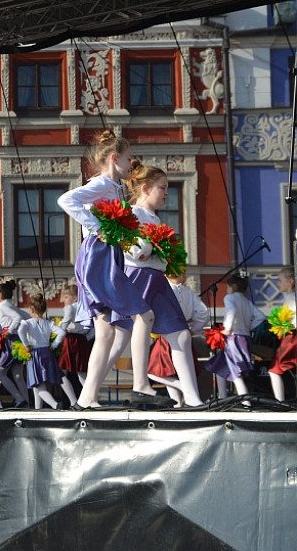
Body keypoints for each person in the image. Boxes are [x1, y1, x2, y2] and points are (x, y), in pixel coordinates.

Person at [56, 130, 161, 409]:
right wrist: (97, 226)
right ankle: (139, 383)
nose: (131, 165)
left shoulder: (114, 187)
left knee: (106, 333)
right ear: (115, 159)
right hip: (97, 258)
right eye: (128, 159)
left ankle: (86, 398)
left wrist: (132, 245)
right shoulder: (102, 183)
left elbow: (119, 227)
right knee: (143, 315)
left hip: (109, 255)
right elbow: (66, 201)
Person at [109, 160, 202, 407]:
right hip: (138, 279)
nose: (166, 193)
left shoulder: (154, 218)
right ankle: (91, 389)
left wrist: (159, 254)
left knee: (181, 335)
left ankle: (192, 398)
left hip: (156, 280)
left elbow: (158, 257)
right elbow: (128, 248)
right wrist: (148, 249)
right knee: (119, 339)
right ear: (146, 188)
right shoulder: (131, 214)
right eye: (162, 187)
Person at [152, 270, 209, 406]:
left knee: (156, 370)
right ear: (183, 275)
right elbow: (204, 313)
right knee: (178, 369)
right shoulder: (188, 292)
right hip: (184, 330)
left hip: (168, 332)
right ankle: (177, 402)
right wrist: (193, 330)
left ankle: (182, 390)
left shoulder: (165, 290)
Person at [205, 274, 263, 401]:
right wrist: (248, 327)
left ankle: (246, 402)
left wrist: (228, 328)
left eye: (228, 287)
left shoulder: (230, 298)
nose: (227, 290)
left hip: (233, 338)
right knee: (219, 366)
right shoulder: (247, 301)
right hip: (244, 337)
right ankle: (221, 398)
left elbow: (231, 311)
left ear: (233, 287)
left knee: (236, 371)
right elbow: (260, 316)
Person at [11, 293, 67, 409]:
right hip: (47, 353)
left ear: (31, 309)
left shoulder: (27, 323)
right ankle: (38, 410)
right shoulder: (49, 323)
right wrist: (54, 344)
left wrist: (26, 344)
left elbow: (21, 331)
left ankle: (55, 404)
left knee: (38, 386)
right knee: (38, 386)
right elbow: (62, 332)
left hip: (35, 354)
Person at [0, 280, 31, 407]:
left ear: (0, 295)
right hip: (18, 341)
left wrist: (9, 331)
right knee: (17, 374)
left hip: (10, 342)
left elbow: (17, 317)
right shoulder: (11, 304)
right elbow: (26, 316)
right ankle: (26, 402)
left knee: (0, 372)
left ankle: (19, 398)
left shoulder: (4, 305)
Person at [268, 267, 296, 402]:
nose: (278, 283)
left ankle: (280, 402)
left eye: (280, 280)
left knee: (275, 368)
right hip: (290, 335)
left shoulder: (291, 299)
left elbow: (292, 322)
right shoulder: (290, 298)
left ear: (290, 282)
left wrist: (282, 326)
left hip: (292, 337)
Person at [57, 284, 90, 389]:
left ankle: (73, 400)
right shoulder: (85, 308)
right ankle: (90, 396)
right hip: (83, 340)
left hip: (71, 340)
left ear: (75, 298)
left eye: (66, 297)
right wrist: (86, 337)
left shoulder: (70, 308)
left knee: (62, 371)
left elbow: (64, 324)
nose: (64, 300)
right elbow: (91, 329)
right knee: (81, 372)